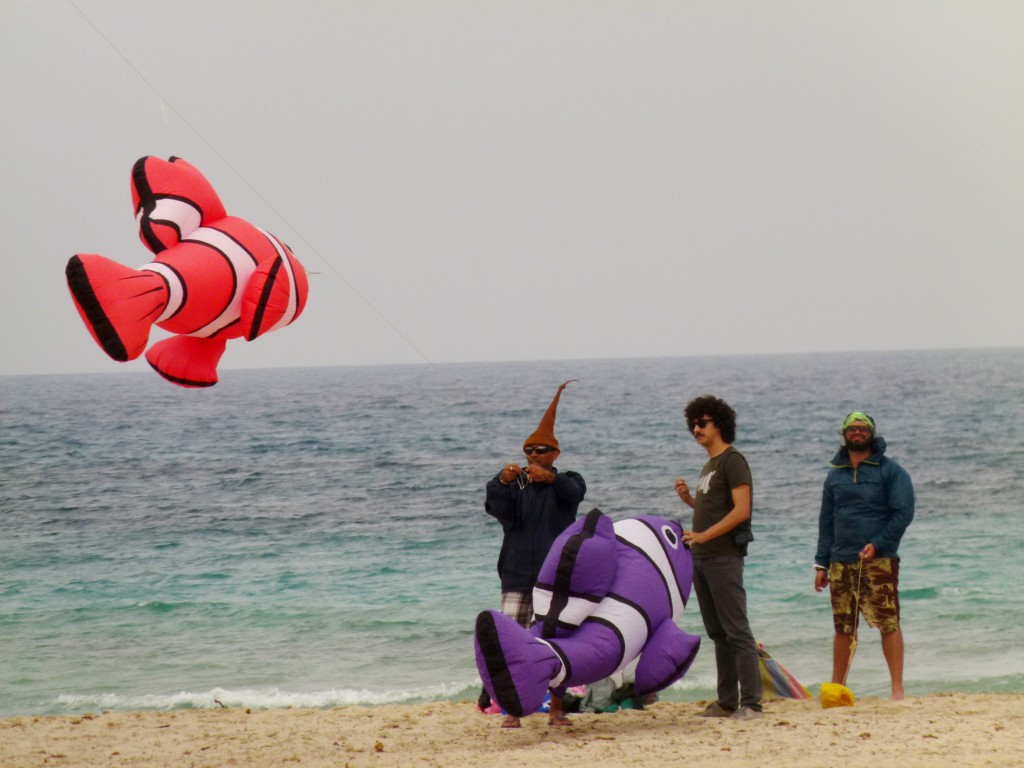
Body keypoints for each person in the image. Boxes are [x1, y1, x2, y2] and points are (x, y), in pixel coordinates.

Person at [483, 380, 587, 727]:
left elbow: (574, 493)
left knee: (554, 644)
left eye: (542, 450)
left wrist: (550, 479)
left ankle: (556, 710)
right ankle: (512, 711)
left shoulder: (567, 481)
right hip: (516, 576)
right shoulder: (516, 488)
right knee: (510, 647)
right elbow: (495, 507)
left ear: (555, 454)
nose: (534, 455)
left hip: (554, 578)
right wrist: (500, 480)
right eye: (530, 450)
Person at [814, 411, 914, 701]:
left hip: (879, 561)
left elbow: (903, 513)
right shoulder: (834, 476)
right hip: (840, 561)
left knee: (888, 623)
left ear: (871, 433)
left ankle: (897, 690)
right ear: (844, 434)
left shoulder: (891, 471)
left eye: (862, 429)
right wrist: (821, 563)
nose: (857, 433)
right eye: (852, 429)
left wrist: (878, 544)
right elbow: (826, 521)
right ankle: (838, 687)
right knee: (843, 628)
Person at [675, 395, 763, 720]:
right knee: (718, 633)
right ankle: (727, 702)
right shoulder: (709, 466)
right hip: (702, 556)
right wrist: (689, 501)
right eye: (693, 424)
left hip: (723, 557)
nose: (696, 428)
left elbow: (742, 511)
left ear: (720, 424)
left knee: (736, 630)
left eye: (703, 423)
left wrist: (703, 536)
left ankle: (752, 703)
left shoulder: (732, 460)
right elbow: (713, 511)